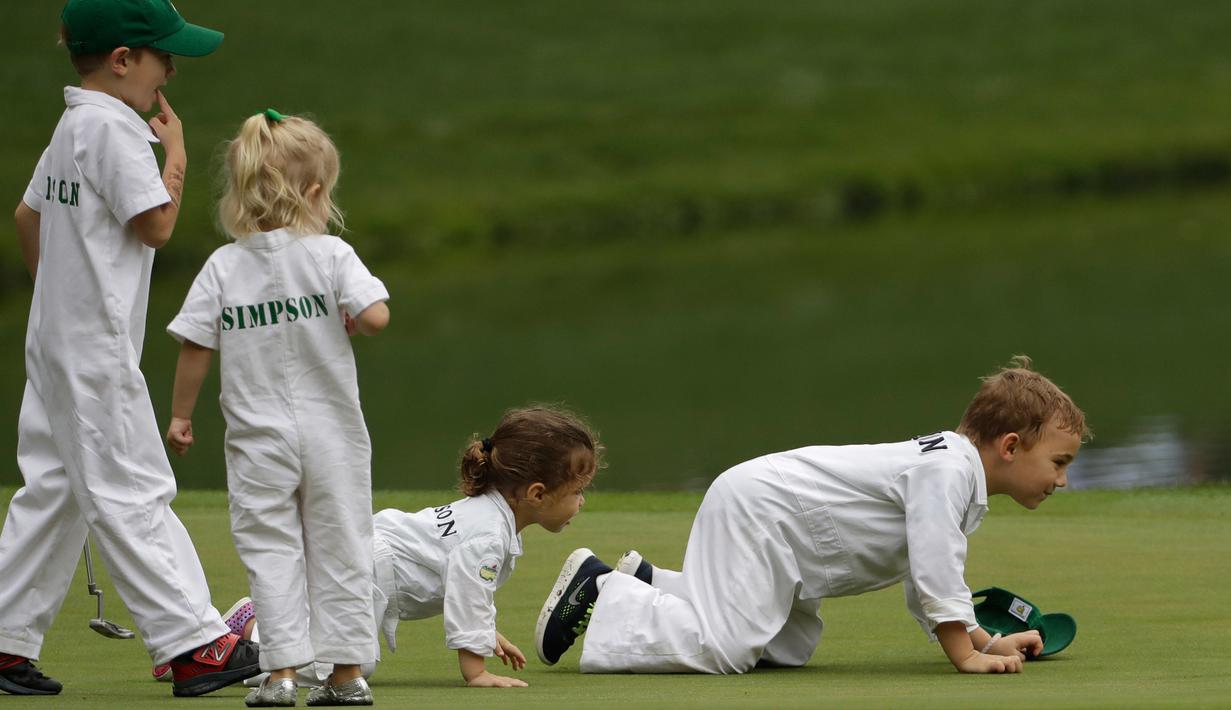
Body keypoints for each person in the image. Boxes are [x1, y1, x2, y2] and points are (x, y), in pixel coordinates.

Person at [0, 0, 263, 698]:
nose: (171, 69)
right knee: (133, 488)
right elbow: (155, 226)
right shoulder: (116, 130)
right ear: (122, 60)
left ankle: (3, 640)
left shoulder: (71, 122)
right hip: (91, 350)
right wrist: (175, 151)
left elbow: (27, 216)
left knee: (56, 488)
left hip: (56, 340)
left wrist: (61, 298)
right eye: (162, 56)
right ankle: (195, 644)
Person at [536, 356, 1088, 675]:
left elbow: (928, 578)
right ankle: (606, 591)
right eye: (1058, 462)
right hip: (767, 512)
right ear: (1011, 446)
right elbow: (937, 568)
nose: (1061, 479)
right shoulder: (948, 472)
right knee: (728, 648)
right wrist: (964, 655)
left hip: (790, 538)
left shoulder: (959, 476)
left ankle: (648, 582)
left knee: (786, 647)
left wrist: (986, 640)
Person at [165, 109, 390, 707]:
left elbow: (195, 345)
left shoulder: (223, 266)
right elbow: (375, 315)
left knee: (270, 548)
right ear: (316, 191)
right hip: (332, 435)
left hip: (258, 439)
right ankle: (346, 673)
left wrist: (180, 415)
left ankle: (282, 673)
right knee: (342, 543)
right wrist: (350, 318)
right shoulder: (331, 256)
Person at [155, 406, 602, 691]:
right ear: (537, 493)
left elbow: (459, 581)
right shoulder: (490, 534)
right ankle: (243, 635)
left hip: (362, 550)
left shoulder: (489, 515)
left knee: (343, 656)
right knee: (344, 667)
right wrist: (477, 671)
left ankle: (250, 624)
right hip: (368, 569)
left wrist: (489, 633)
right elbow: (469, 595)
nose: (581, 502)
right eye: (578, 491)